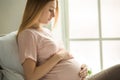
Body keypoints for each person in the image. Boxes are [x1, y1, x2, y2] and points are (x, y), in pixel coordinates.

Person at [17, 0, 88, 80]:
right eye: (50, 10)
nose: (54, 15)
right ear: (37, 8)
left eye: (54, 10)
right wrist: (58, 56)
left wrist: (82, 68)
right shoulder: (28, 34)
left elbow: (66, 56)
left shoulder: (47, 31)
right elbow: (31, 76)